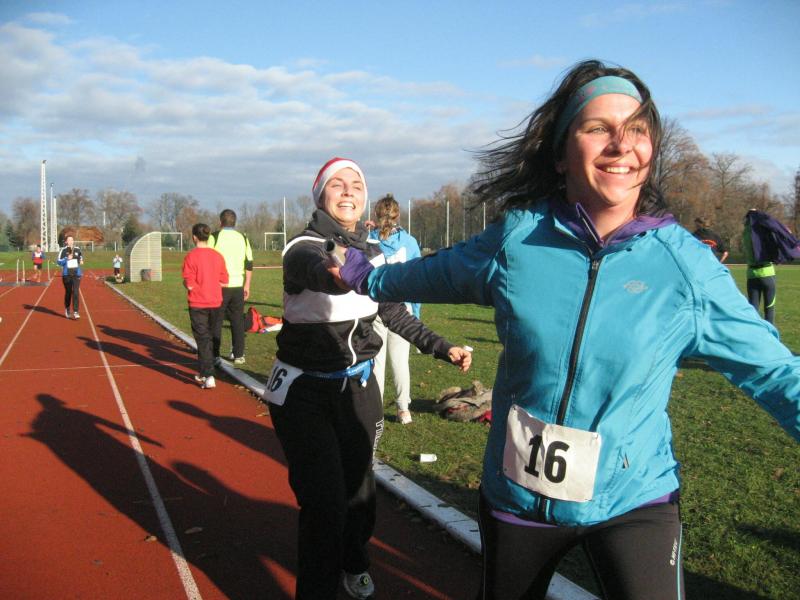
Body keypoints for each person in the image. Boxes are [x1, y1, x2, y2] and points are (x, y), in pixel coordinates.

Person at [336, 60, 800, 600]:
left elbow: (775, 373)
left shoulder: (684, 267)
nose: (622, 145)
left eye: (638, 130)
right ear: (560, 153)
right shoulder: (517, 240)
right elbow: (431, 273)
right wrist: (366, 276)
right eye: (599, 127)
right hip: (517, 499)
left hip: (634, 499)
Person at [264, 157, 471, 600]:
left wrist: (441, 346)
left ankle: (354, 562)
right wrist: (343, 275)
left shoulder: (374, 252)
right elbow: (320, 271)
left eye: (355, 184)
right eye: (336, 184)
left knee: (360, 495)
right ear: (320, 195)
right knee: (324, 506)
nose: (347, 191)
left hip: (359, 388)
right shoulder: (302, 247)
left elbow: (393, 311)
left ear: (365, 197)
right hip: (304, 392)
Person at [368, 194, 422, 424]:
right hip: (403, 309)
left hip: (376, 308)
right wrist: (415, 313)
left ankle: (376, 408)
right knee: (400, 362)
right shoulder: (409, 242)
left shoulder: (368, 240)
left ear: (376, 214)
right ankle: (403, 410)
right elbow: (418, 280)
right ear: (397, 216)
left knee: (377, 362)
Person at [182, 223, 229, 389]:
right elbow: (224, 281)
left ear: (194, 237)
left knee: (202, 338)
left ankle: (208, 375)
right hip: (216, 302)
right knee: (210, 336)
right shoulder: (218, 256)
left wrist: (192, 285)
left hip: (198, 303)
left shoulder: (191, 257)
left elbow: (189, 284)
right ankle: (208, 369)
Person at [209, 209, 253, 366]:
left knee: (216, 321)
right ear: (235, 222)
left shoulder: (214, 237)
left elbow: (207, 259)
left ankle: (215, 355)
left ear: (220, 222)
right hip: (238, 285)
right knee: (237, 320)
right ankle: (239, 355)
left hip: (219, 286)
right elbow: (249, 263)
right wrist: (247, 284)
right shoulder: (243, 237)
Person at [57, 236, 84, 320]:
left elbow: (81, 258)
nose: (71, 241)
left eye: (72, 240)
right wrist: (66, 258)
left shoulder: (77, 249)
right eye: (69, 240)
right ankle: (67, 309)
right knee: (68, 292)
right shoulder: (63, 250)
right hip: (67, 274)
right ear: (66, 242)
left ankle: (76, 311)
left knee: (76, 292)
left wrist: (81, 261)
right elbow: (58, 262)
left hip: (76, 274)